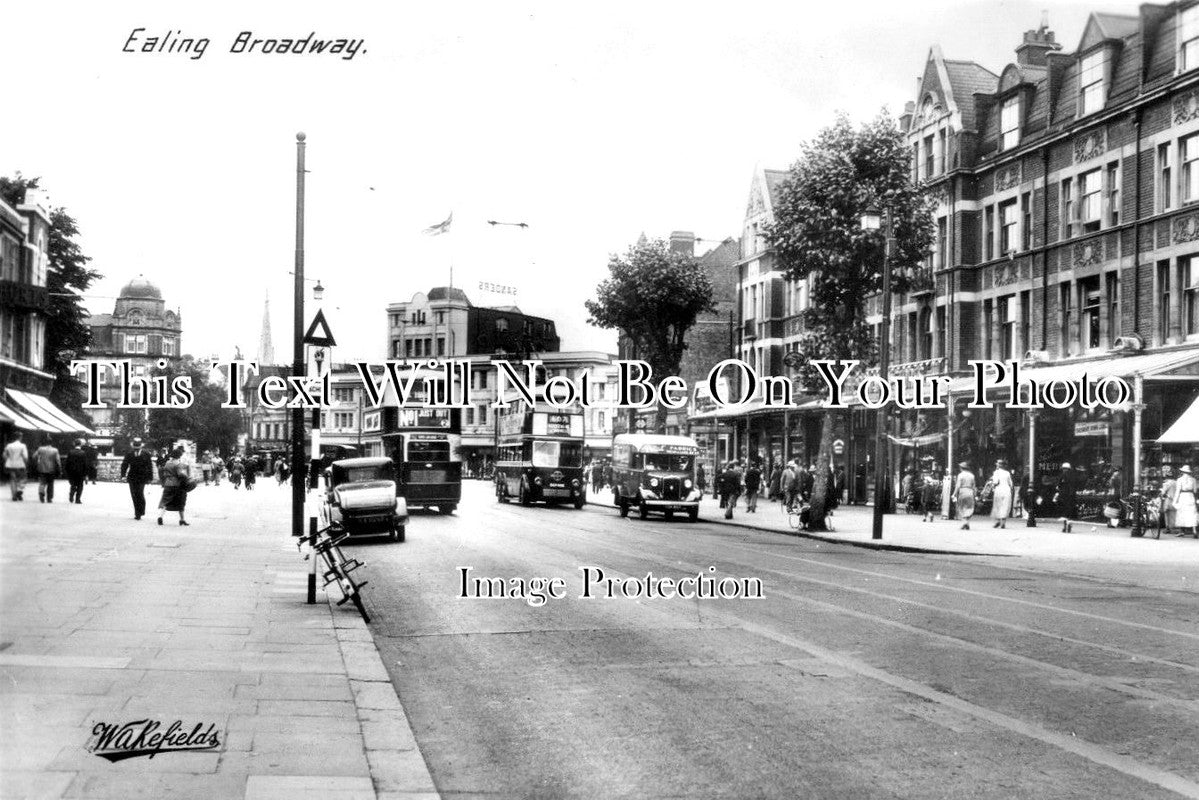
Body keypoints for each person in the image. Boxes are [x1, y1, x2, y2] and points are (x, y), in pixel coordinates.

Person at [120, 437, 155, 520]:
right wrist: (123, 475)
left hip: (142, 477)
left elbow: (150, 466)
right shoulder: (129, 453)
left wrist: (150, 477)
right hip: (132, 477)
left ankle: (141, 510)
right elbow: (124, 464)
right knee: (134, 495)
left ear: (141, 446)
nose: (136, 449)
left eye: (138, 447)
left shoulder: (146, 454)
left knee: (140, 493)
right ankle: (137, 513)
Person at [157, 446, 191, 526]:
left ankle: (160, 517)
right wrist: (187, 477)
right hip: (177, 485)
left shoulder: (167, 463)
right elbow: (180, 474)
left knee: (165, 501)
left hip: (168, 484)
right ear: (179, 456)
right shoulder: (178, 464)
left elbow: (164, 473)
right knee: (181, 502)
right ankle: (182, 520)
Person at [33, 437, 61, 503]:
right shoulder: (55, 450)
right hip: (51, 469)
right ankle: (49, 498)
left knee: (42, 482)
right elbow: (58, 460)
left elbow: (34, 456)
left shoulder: (40, 449)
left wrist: (38, 462)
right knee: (50, 484)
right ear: (52, 443)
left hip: (41, 468)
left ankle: (41, 494)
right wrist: (59, 468)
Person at [1173, 465, 1198, 538]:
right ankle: (1194, 531)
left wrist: (1175, 501)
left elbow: (1177, 491)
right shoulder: (1193, 480)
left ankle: (1182, 531)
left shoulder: (1179, 480)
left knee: (1181, 513)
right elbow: (1195, 491)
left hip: (1182, 497)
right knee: (1192, 513)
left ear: (1182, 472)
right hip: (1190, 497)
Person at [989, 458, 1014, 529]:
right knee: (1005, 505)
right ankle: (1003, 522)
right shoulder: (1007, 473)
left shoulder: (996, 472)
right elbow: (1011, 484)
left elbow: (995, 482)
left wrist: (992, 485)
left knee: (998, 505)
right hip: (1007, 490)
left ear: (999, 465)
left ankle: (998, 521)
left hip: (999, 490)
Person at [1053, 462, 1077, 533]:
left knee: (1064, 512)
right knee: (1069, 512)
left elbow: (1058, 486)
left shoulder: (1062, 475)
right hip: (1071, 496)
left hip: (1063, 496)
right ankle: (1069, 525)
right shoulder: (1073, 476)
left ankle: (1064, 527)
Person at [4, 431, 29, 501]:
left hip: (10, 465)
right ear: (20, 437)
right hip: (20, 465)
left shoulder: (9, 445)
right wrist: (26, 463)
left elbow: (4, 455)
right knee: (23, 479)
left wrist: (8, 460)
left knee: (12, 480)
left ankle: (14, 495)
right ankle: (19, 490)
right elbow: (25, 457)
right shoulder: (22, 446)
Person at [954, 461, 976, 530]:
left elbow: (958, 485)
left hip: (963, 491)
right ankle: (967, 522)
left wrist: (954, 494)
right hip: (970, 491)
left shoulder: (960, 475)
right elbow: (974, 486)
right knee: (969, 507)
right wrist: (975, 494)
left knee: (961, 506)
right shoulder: (972, 475)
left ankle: (965, 522)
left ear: (961, 468)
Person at [64, 439, 89, 504]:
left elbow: (67, 463)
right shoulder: (83, 453)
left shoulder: (70, 452)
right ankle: (77, 499)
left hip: (72, 472)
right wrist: (86, 474)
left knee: (73, 484)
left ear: (74, 444)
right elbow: (85, 464)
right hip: (80, 472)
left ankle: (71, 495)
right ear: (80, 444)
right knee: (80, 485)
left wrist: (67, 471)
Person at [1160, 466, 1178, 536]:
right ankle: (1174, 527)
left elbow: (1163, 493)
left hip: (1168, 500)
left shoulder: (1166, 483)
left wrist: (1161, 492)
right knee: (1174, 514)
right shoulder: (1176, 482)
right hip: (1176, 500)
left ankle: (1168, 528)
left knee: (1167, 514)